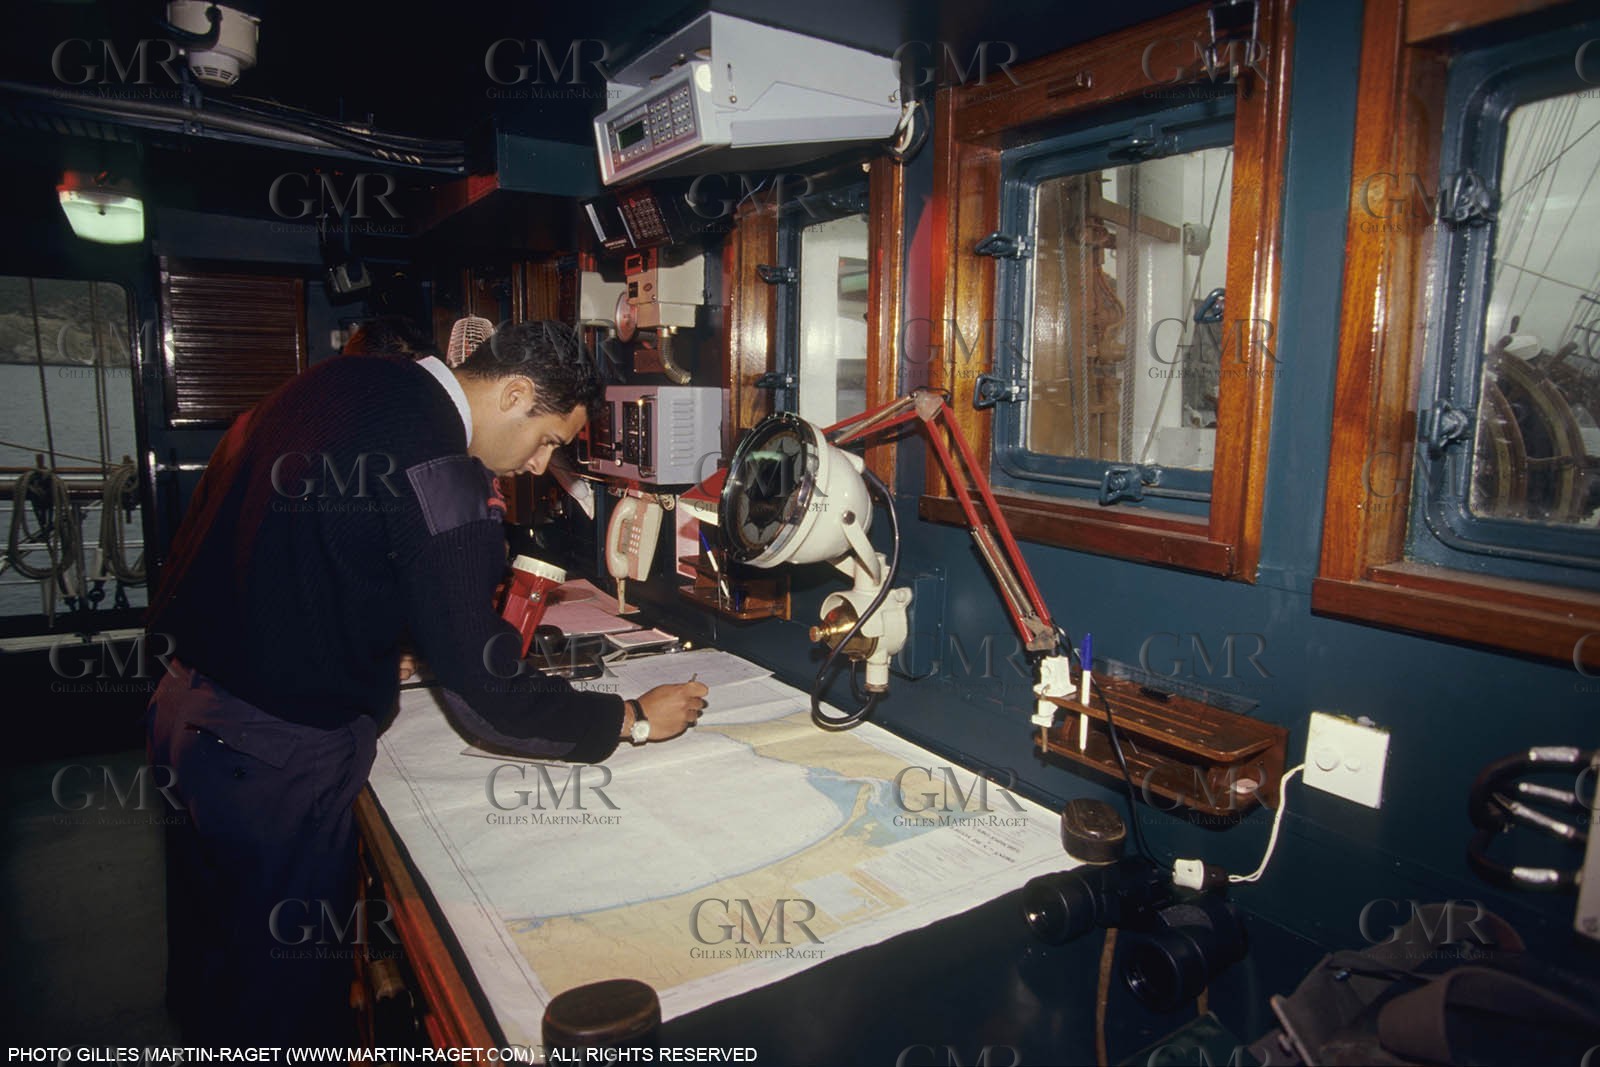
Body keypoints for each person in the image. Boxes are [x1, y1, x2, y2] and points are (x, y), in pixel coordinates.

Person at [144, 319, 706, 1043]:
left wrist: (378, 638)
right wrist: (630, 717)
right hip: (273, 759)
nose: (540, 466)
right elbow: (488, 699)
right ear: (513, 392)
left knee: (211, 972)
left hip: (184, 713)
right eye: (548, 441)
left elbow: (288, 537)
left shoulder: (343, 379)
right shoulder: (444, 467)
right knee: (285, 1000)